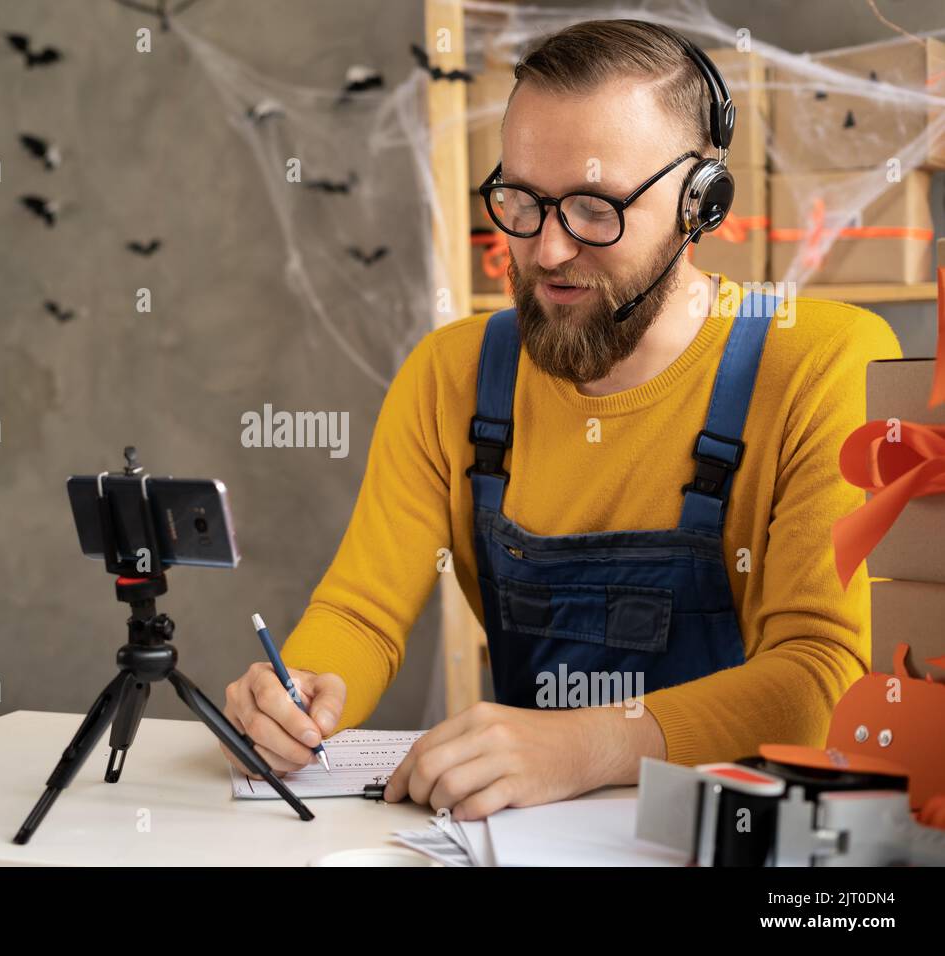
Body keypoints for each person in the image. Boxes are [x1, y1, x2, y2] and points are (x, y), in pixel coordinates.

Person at [220, 19, 902, 821]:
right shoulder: (452, 376)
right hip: (521, 833)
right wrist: (298, 691)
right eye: (521, 199)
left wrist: (586, 746)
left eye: (591, 207)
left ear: (700, 204)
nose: (545, 250)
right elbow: (360, 613)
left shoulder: (823, 362)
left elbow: (818, 681)